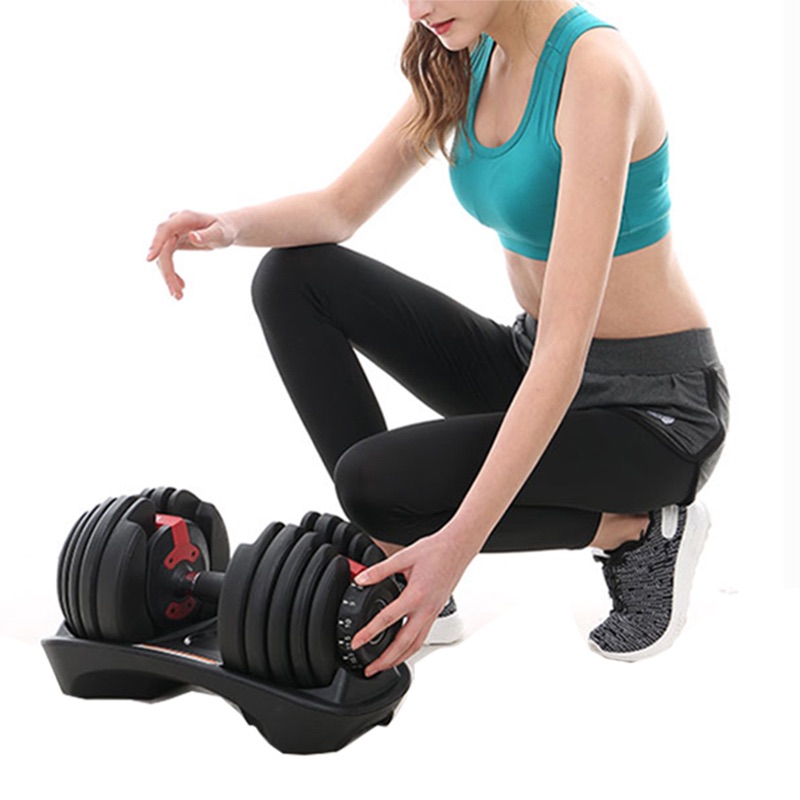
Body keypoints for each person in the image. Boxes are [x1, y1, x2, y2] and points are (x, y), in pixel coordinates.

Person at [146, 0, 729, 678]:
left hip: (654, 415)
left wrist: (455, 544)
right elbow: (339, 209)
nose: (419, 9)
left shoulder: (596, 75)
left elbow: (566, 358)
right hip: (533, 359)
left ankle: (637, 531)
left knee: (370, 484)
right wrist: (226, 227)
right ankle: (404, 562)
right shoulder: (473, 53)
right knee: (292, 278)